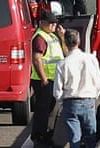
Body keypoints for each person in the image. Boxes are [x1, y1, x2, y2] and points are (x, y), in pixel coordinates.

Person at [52, 28, 100, 148]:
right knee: (91, 136)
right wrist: (94, 96)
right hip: (89, 100)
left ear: (65, 43)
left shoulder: (62, 64)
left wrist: (61, 103)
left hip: (70, 102)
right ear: (79, 41)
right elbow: (99, 83)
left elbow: (57, 90)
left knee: (74, 138)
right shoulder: (90, 59)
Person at [31, 10, 67, 145]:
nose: (53, 25)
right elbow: (37, 60)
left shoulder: (53, 36)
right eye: (50, 23)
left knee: (52, 110)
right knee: (43, 110)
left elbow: (65, 52)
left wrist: (62, 37)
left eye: (55, 23)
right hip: (44, 80)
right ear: (42, 23)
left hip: (54, 79)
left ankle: (47, 136)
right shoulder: (40, 37)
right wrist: (44, 79)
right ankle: (39, 137)